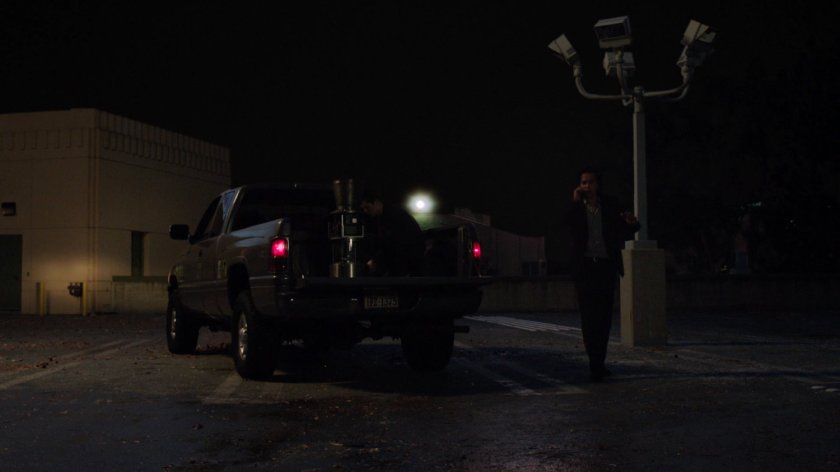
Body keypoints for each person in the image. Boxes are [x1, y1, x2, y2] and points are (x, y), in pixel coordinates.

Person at [565, 168, 640, 381]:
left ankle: (600, 362)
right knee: (589, 318)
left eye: (590, 182)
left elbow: (629, 227)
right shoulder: (577, 208)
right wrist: (575, 202)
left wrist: (632, 222)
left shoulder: (610, 205)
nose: (586, 186)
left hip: (605, 267)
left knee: (604, 317)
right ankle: (594, 363)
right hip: (585, 268)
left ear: (598, 184)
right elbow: (566, 226)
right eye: (583, 182)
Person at [359, 190, 425, 276]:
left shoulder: (392, 216)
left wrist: (375, 261)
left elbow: (392, 243)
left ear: (376, 202)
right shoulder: (388, 215)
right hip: (408, 259)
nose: (365, 211)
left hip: (407, 261)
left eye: (367, 207)